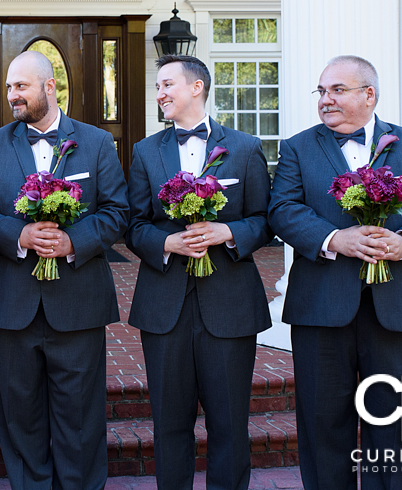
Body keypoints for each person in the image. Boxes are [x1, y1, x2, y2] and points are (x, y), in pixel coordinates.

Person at [268, 55, 402, 490]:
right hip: (321, 308)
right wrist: (336, 240)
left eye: (337, 90)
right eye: (321, 91)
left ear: (368, 95)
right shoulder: (297, 147)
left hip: (398, 309)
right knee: (322, 424)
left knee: (389, 423)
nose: (325, 100)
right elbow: (282, 210)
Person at [0, 50, 128, 490]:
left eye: (20, 86)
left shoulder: (95, 142)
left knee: (80, 415)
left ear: (49, 87)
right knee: (19, 414)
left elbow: (117, 211)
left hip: (79, 302)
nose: (11, 95)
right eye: (8, 88)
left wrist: (73, 240)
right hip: (13, 303)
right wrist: (20, 236)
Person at [125, 54, 272, 490]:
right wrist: (165, 242)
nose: (160, 94)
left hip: (230, 305)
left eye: (167, 84)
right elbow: (132, 224)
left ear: (197, 87)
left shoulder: (244, 148)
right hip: (163, 306)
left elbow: (267, 219)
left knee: (229, 423)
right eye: (157, 87)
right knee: (169, 424)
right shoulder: (145, 152)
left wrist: (227, 231)